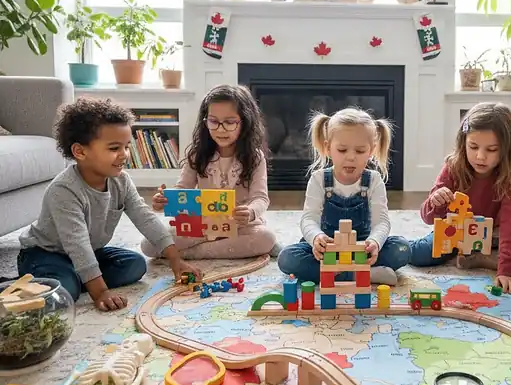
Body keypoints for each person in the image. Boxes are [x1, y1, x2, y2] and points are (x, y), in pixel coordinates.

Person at [18, 97, 200, 312]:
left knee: (135, 265)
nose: (124, 155)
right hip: (45, 253)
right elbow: (77, 243)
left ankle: (82, 276)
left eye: (126, 147)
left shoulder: (121, 180)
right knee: (63, 292)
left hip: (90, 251)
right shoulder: (63, 190)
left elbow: (145, 217)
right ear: (80, 152)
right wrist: (100, 291)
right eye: (114, 148)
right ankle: (77, 279)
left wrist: (174, 259)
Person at [408, 102, 511, 293]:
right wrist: (436, 201)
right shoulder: (453, 167)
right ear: (463, 142)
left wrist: (506, 271)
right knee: (418, 254)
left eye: (492, 150)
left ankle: (482, 258)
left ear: (507, 148)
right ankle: (472, 254)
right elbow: (427, 217)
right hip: (457, 233)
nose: (480, 156)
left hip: (493, 235)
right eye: (473, 147)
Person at [278, 107, 410, 285]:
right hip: (327, 251)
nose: (350, 157)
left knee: (402, 248)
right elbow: (309, 218)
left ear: (371, 150)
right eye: (342, 150)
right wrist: (316, 237)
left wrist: (375, 242)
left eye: (360, 151)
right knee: (287, 258)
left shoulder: (374, 180)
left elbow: (382, 222)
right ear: (328, 148)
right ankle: (361, 275)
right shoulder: (319, 180)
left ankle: (341, 273)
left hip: (361, 250)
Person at [144, 84, 278, 260]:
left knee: (266, 238)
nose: (220, 129)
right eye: (214, 121)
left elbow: (261, 198)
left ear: (245, 123)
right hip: (202, 224)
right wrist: (166, 200)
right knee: (149, 244)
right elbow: (183, 188)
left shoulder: (254, 157)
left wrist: (250, 211)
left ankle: (192, 253)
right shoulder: (197, 154)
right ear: (205, 121)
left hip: (240, 225)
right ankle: (221, 247)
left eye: (229, 122)